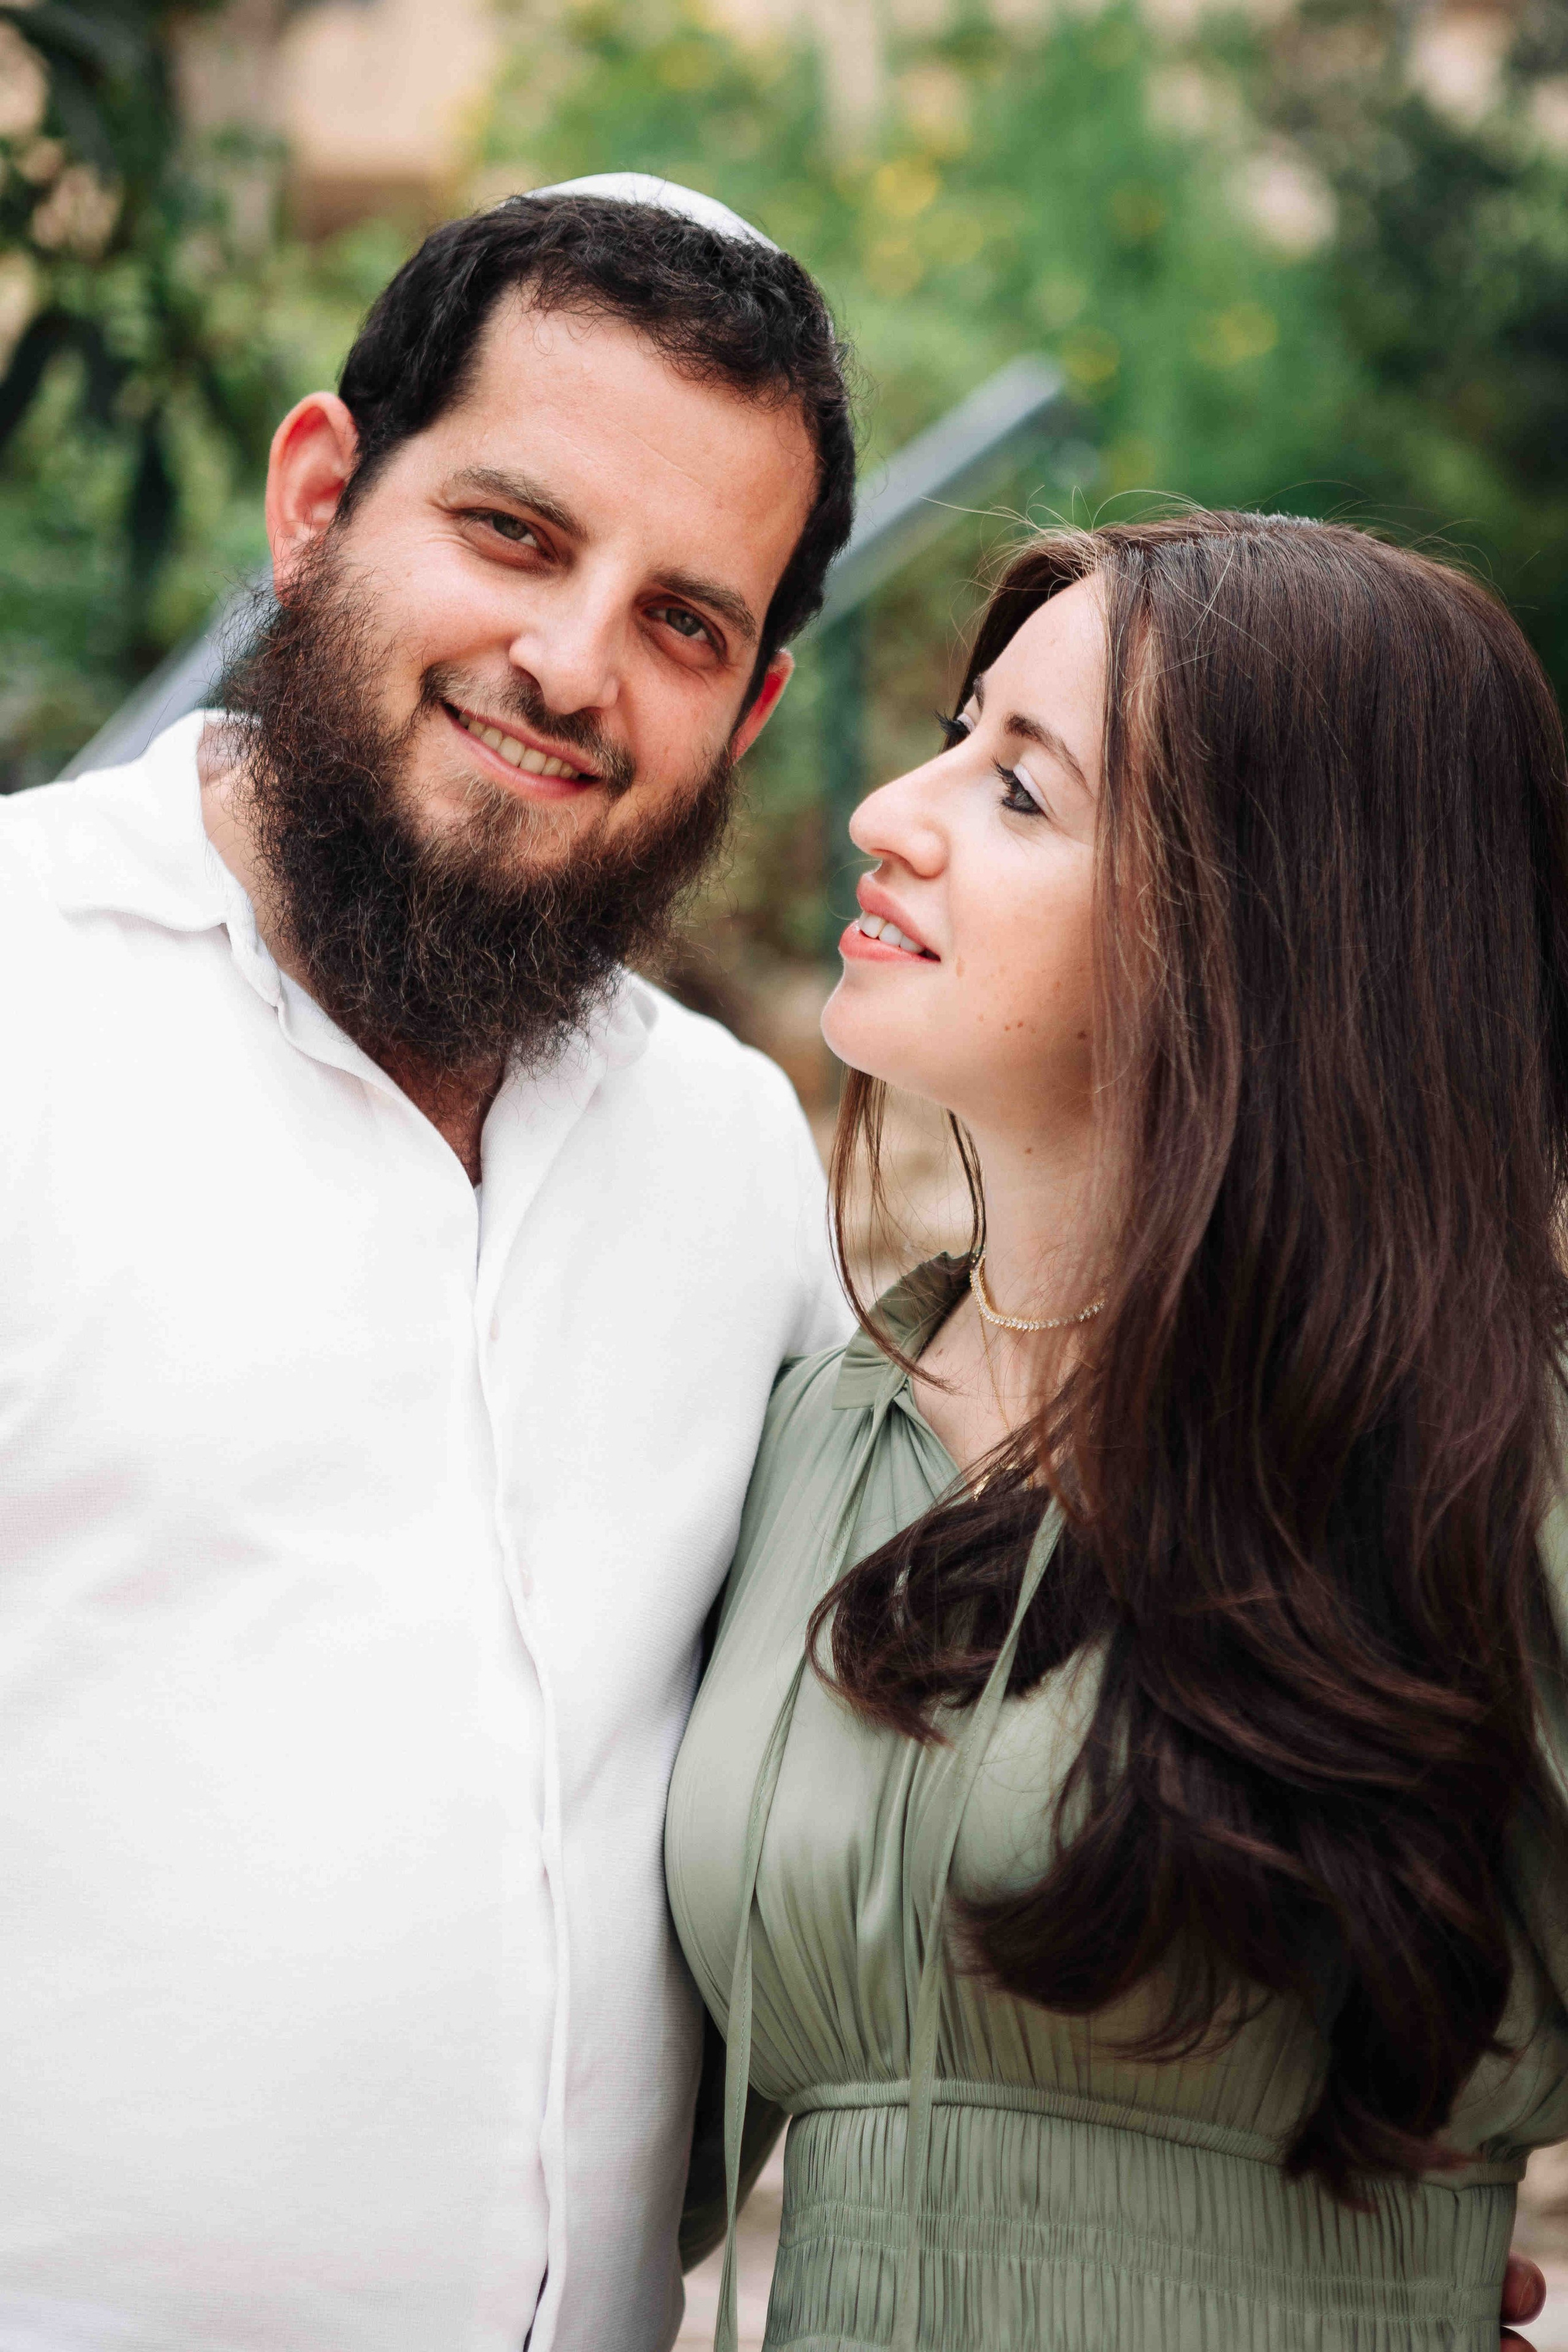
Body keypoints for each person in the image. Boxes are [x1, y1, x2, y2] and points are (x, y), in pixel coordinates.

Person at [0, 181, 854, 2352]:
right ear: (318, 500)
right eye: (513, 532)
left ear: (749, 715)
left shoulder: (736, 1166)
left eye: (684, 620)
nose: (572, 667)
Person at [668, 512, 1568, 2351]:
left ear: (1274, 924)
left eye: (1021, 792)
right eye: (955, 734)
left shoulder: (1494, 1469)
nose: (889, 816)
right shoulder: (817, 1442)